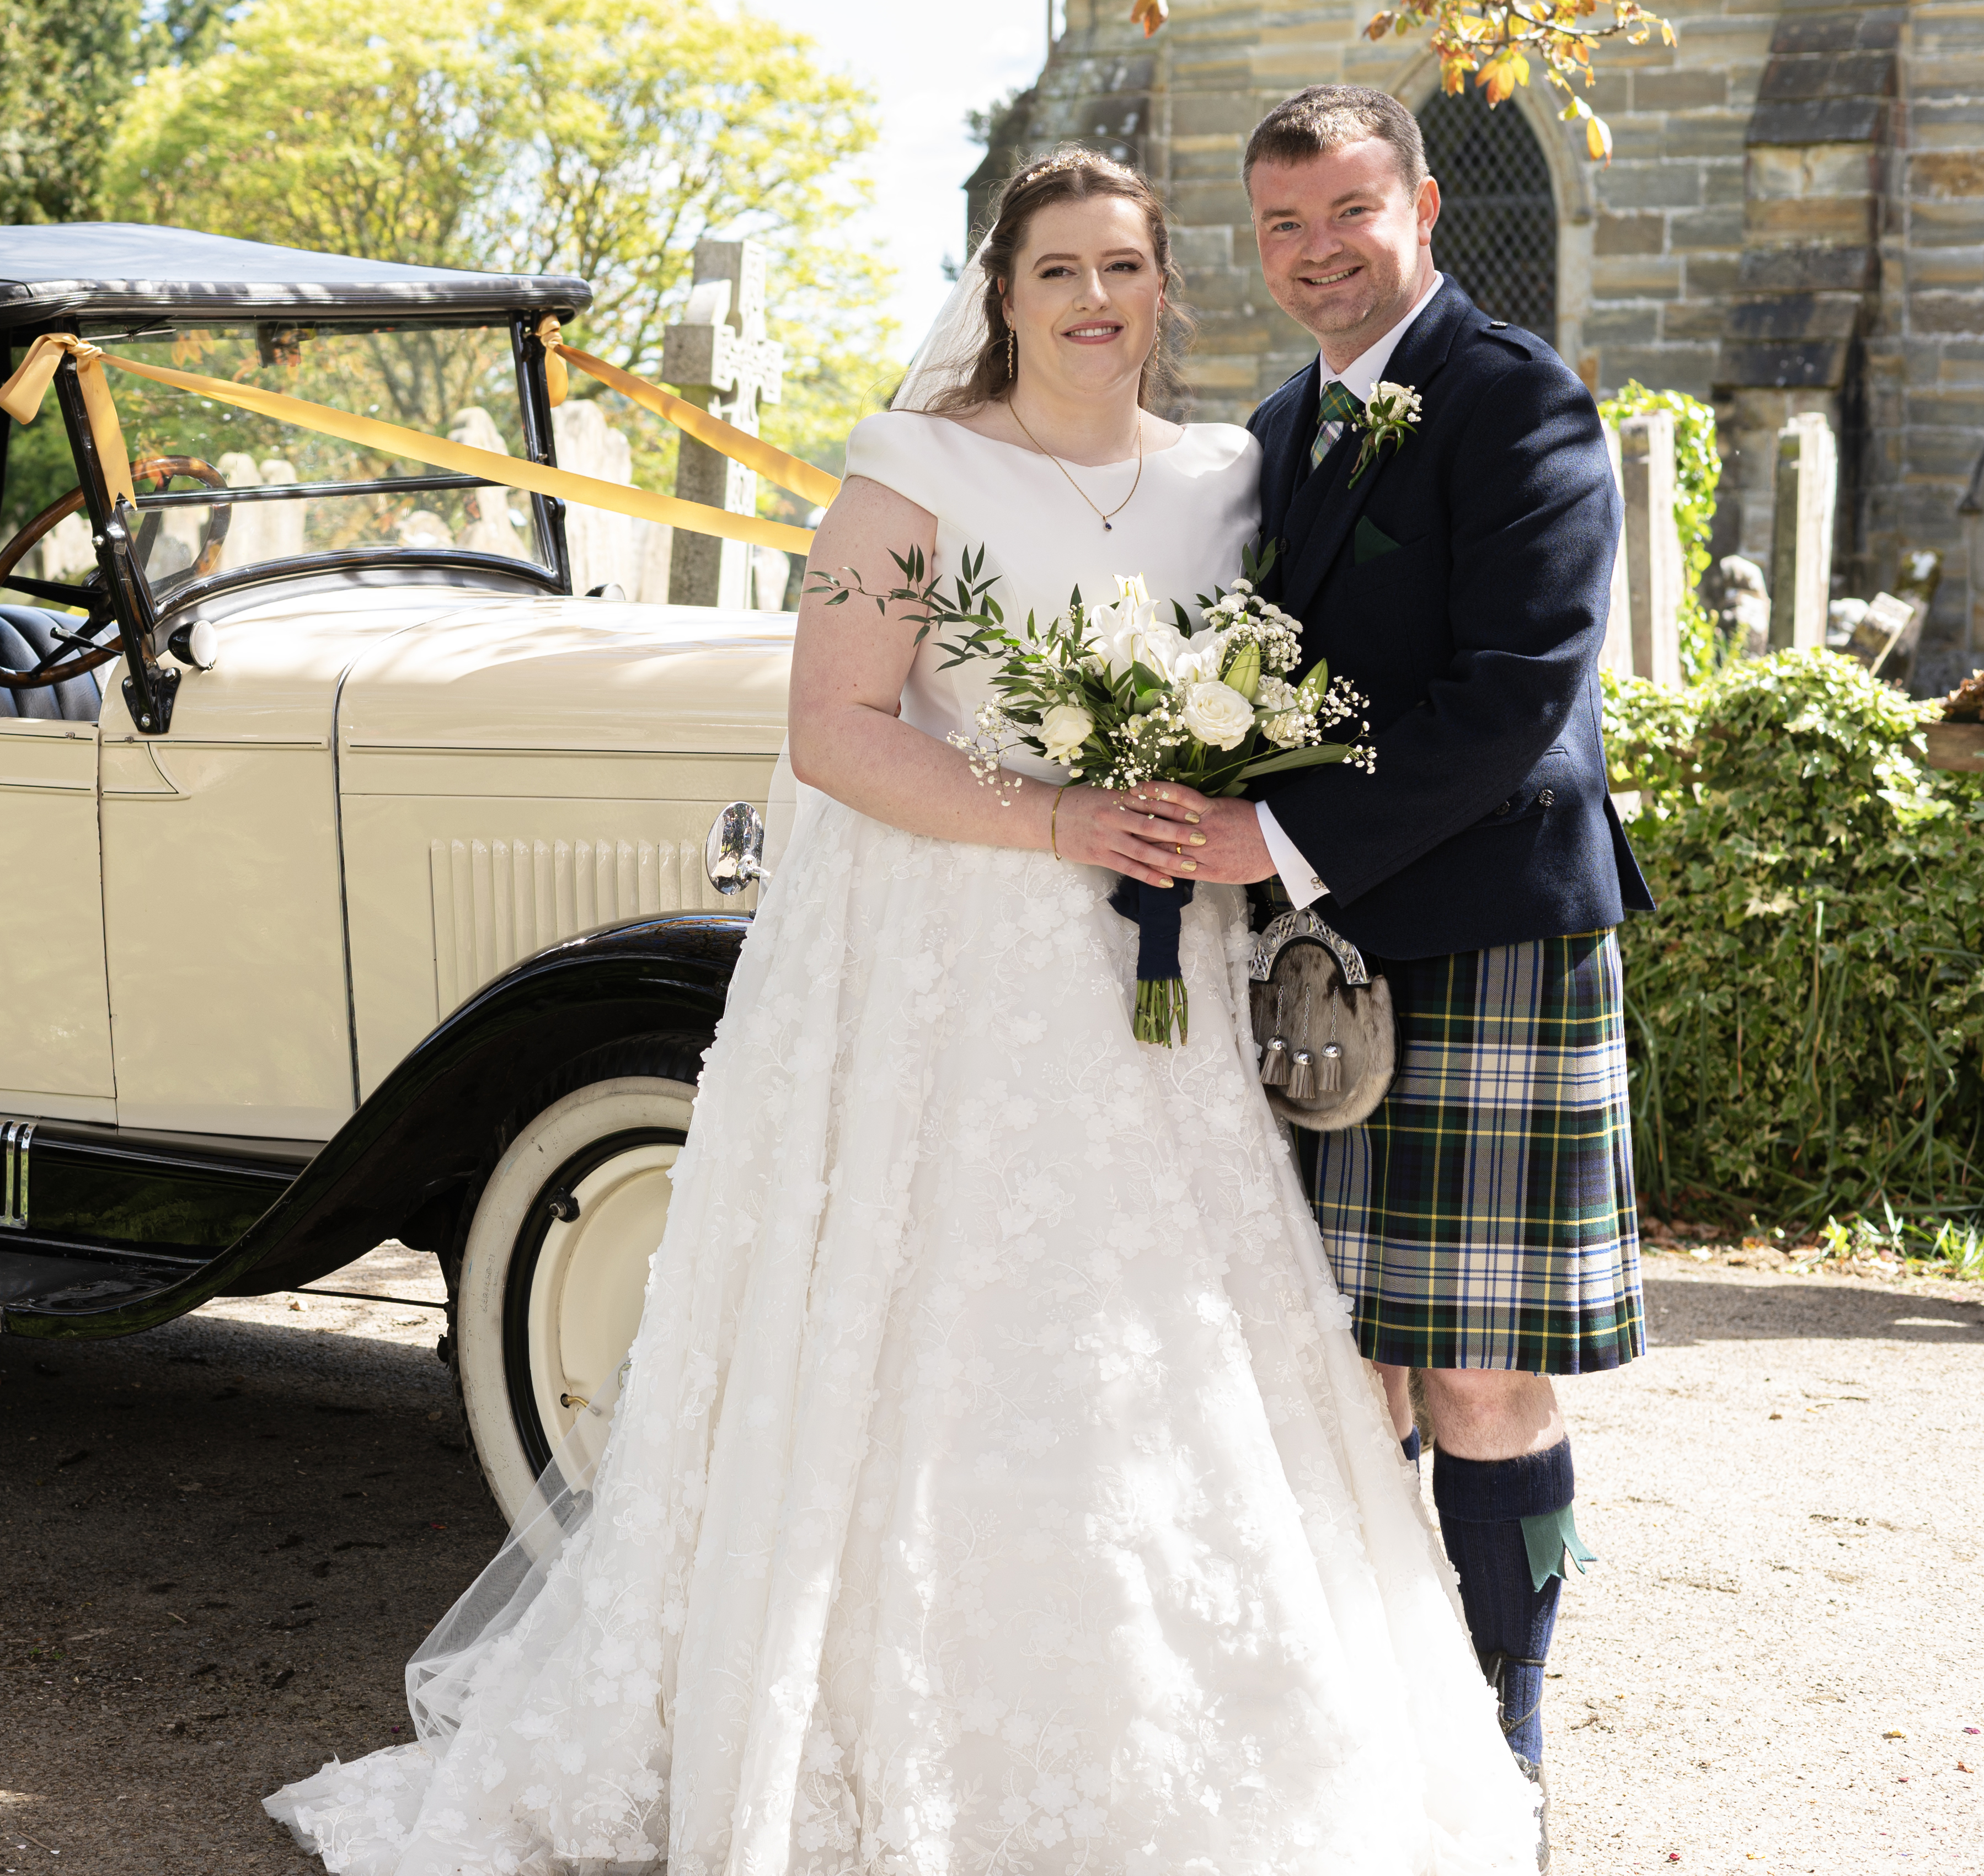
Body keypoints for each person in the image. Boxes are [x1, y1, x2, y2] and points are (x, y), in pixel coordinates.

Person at [262, 146, 1538, 1875]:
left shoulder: (1230, 478)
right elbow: (837, 731)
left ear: (1168, 288)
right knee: (937, 1325)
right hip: (960, 971)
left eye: (1127, 269)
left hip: (1165, 983)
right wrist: (1061, 815)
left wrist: (1188, 797)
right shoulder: (910, 471)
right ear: (1001, 296)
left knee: (1155, 1343)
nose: (1098, 301)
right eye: (1060, 272)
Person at [1191, 86, 1650, 1803]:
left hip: (1487, 936)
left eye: (1351, 215)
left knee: (1475, 1366)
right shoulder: (1275, 430)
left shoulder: (1517, 395)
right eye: (1286, 226)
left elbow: (1518, 689)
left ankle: (1502, 1713)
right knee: (1343, 1362)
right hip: (1320, 953)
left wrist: (1280, 837)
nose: (1320, 255)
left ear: (1427, 208)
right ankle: (1378, 1698)